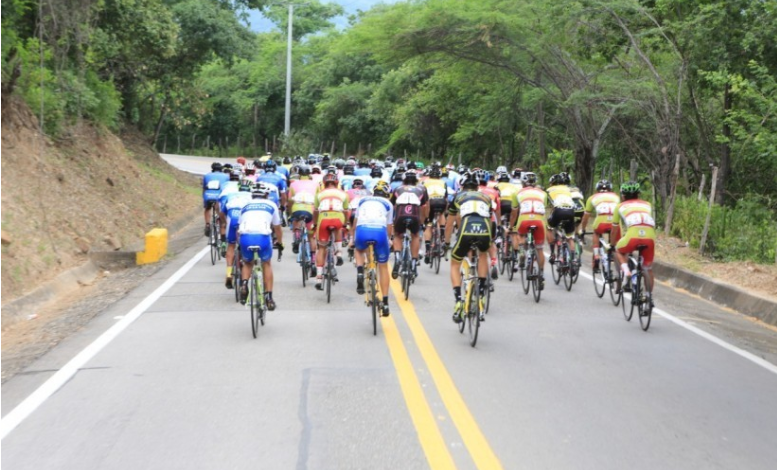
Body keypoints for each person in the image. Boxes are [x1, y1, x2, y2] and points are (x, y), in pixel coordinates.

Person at [444, 171, 493, 323]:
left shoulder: (457, 197)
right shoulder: (486, 197)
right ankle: (481, 295)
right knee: (483, 254)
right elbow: (491, 220)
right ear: (477, 186)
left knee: (454, 264)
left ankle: (459, 300)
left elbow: (450, 223)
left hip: (466, 229)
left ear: (462, 186)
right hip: (484, 230)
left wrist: (446, 243)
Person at [238, 183, 284, 310]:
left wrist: (239, 245)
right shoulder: (271, 205)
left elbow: (239, 227)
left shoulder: (245, 205)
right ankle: (269, 298)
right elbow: (277, 228)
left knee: (247, 263)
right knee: (266, 263)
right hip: (262, 237)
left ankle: (244, 284)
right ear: (266, 195)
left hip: (245, 237)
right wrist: (280, 243)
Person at [353, 181, 394, 317]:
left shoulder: (362, 200)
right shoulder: (388, 204)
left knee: (358, 250)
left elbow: (356, 220)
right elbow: (389, 226)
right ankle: (386, 302)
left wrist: (352, 236)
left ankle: (360, 271)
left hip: (362, 229)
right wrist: (388, 240)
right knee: (383, 267)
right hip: (380, 232)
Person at [612, 181, 656, 302]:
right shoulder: (647, 204)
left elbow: (615, 228)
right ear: (638, 194)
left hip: (632, 236)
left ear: (623, 195)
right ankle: (648, 297)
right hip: (650, 237)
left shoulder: (619, 206)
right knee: (647, 267)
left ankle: (626, 271)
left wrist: (612, 244)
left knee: (618, 250)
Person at [508, 172, 548, 289]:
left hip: (524, 220)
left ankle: (521, 252)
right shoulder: (543, 193)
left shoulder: (517, 193)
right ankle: (541, 274)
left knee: (520, 235)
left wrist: (511, 227)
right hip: (539, 221)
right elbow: (543, 208)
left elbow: (514, 213)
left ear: (523, 182)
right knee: (539, 249)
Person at [313, 172, 350, 290]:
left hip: (323, 218)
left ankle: (319, 277)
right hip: (338, 217)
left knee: (321, 248)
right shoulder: (343, 194)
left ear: (324, 184)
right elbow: (345, 211)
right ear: (336, 183)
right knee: (340, 226)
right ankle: (339, 252)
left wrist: (314, 224)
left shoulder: (319, 194)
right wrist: (346, 223)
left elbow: (315, 211)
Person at [390, 169, 428, 280]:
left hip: (400, 215)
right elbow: (424, 207)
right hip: (415, 215)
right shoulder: (421, 189)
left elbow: (392, 206)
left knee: (397, 235)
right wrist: (423, 221)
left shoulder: (398, 189)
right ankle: (413, 263)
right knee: (415, 235)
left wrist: (392, 221)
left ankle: (397, 257)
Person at [579, 179, 620, 271]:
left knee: (596, 233)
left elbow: (586, 217)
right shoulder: (616, 197)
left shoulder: (592, 197)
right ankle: (613, 253)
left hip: (601, 221)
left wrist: (583, 229)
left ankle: (596, 255)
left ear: (597, 189)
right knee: (615, 238)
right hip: (615, 223)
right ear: (610, 189)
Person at [223, 181, 253, 288]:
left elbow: (223, 212)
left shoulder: (231, 195)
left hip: (232, 216)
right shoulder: (251, 197)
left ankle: (228, 273)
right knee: (245, 244)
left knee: (231, 246)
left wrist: (224, 224)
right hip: (244, 219)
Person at [288, 165, 318, 271]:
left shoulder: (293, 184)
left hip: (297, 208)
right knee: (311, 237)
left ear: (299, 174)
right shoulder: (315, 184)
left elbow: (290, 201)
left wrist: (290, 214)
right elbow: (318, 201)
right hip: (310, 210)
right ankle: (313, 260)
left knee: (295, 219)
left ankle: (296, 237)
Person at [545, 173, 577, 266]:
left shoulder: (549, 190)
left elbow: (547, 205)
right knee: (569, 237)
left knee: (549, 228)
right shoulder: (568, 189)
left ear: (552, 183)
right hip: (571, 211)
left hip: (558, 211)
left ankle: (552, 253)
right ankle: (574, 259)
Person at [422, 163, 449, 264]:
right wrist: (445, 212)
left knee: (428, 225)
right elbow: (446, 198)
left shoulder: (425, 182)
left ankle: (428, 249)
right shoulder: (443, 182)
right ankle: (442, 234)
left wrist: (425, 217)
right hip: (441, 202)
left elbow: (423, 198)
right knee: (441, 214)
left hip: (430, 203)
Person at [477, 169, 501, 279]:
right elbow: (497, 210)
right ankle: (493, 262)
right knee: (491, 241)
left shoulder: (472, 190)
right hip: (490, 220)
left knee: (472, 243)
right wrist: (499, 224)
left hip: (475, 220)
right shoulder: (493, 192)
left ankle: (472, 265)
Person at [202, 162, 229, 237]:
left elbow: (204, 189)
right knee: (221, 211)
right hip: (219, 197)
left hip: (208, 196)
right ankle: (223, 225)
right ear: (221, 169)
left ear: (212, 169)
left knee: (207, 208)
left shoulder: (206, 175)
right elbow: (227, 189)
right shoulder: (226, 176)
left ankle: (207, 224)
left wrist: (204, 201)